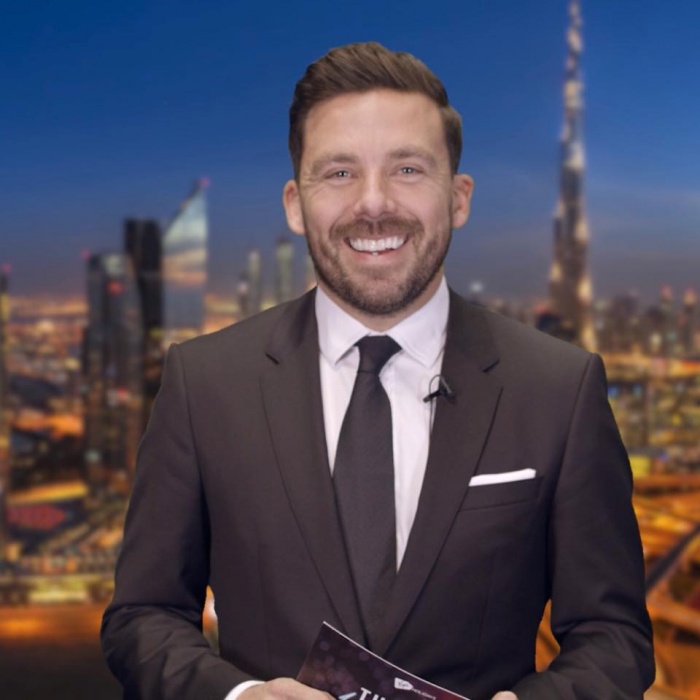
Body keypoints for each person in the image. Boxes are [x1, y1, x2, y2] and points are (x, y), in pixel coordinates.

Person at [101, 42, 654, 700]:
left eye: (408, 169)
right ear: (294, 204)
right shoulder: (204, 384)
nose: (373, 204)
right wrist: (238, 697)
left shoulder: (559, 388)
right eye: (339, 172)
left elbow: (613, 637)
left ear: (459, 197)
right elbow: (142, 617)